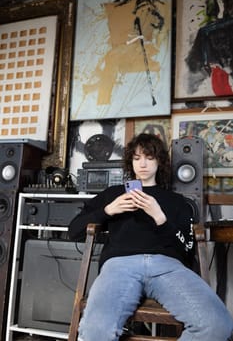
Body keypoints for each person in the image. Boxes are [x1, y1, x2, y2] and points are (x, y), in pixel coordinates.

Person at [69, 133, 233, 341]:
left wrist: (160, 217)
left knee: (218, 326)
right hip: (120, 266)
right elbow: (73, 230)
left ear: (160, 161)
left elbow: (187, 248)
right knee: (95, 332)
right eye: (136, 159)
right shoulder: (113, 194)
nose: (142, 164)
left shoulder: (177, 201)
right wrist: (108, 210)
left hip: (167, 267)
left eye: (149, 157)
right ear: (131, 162)